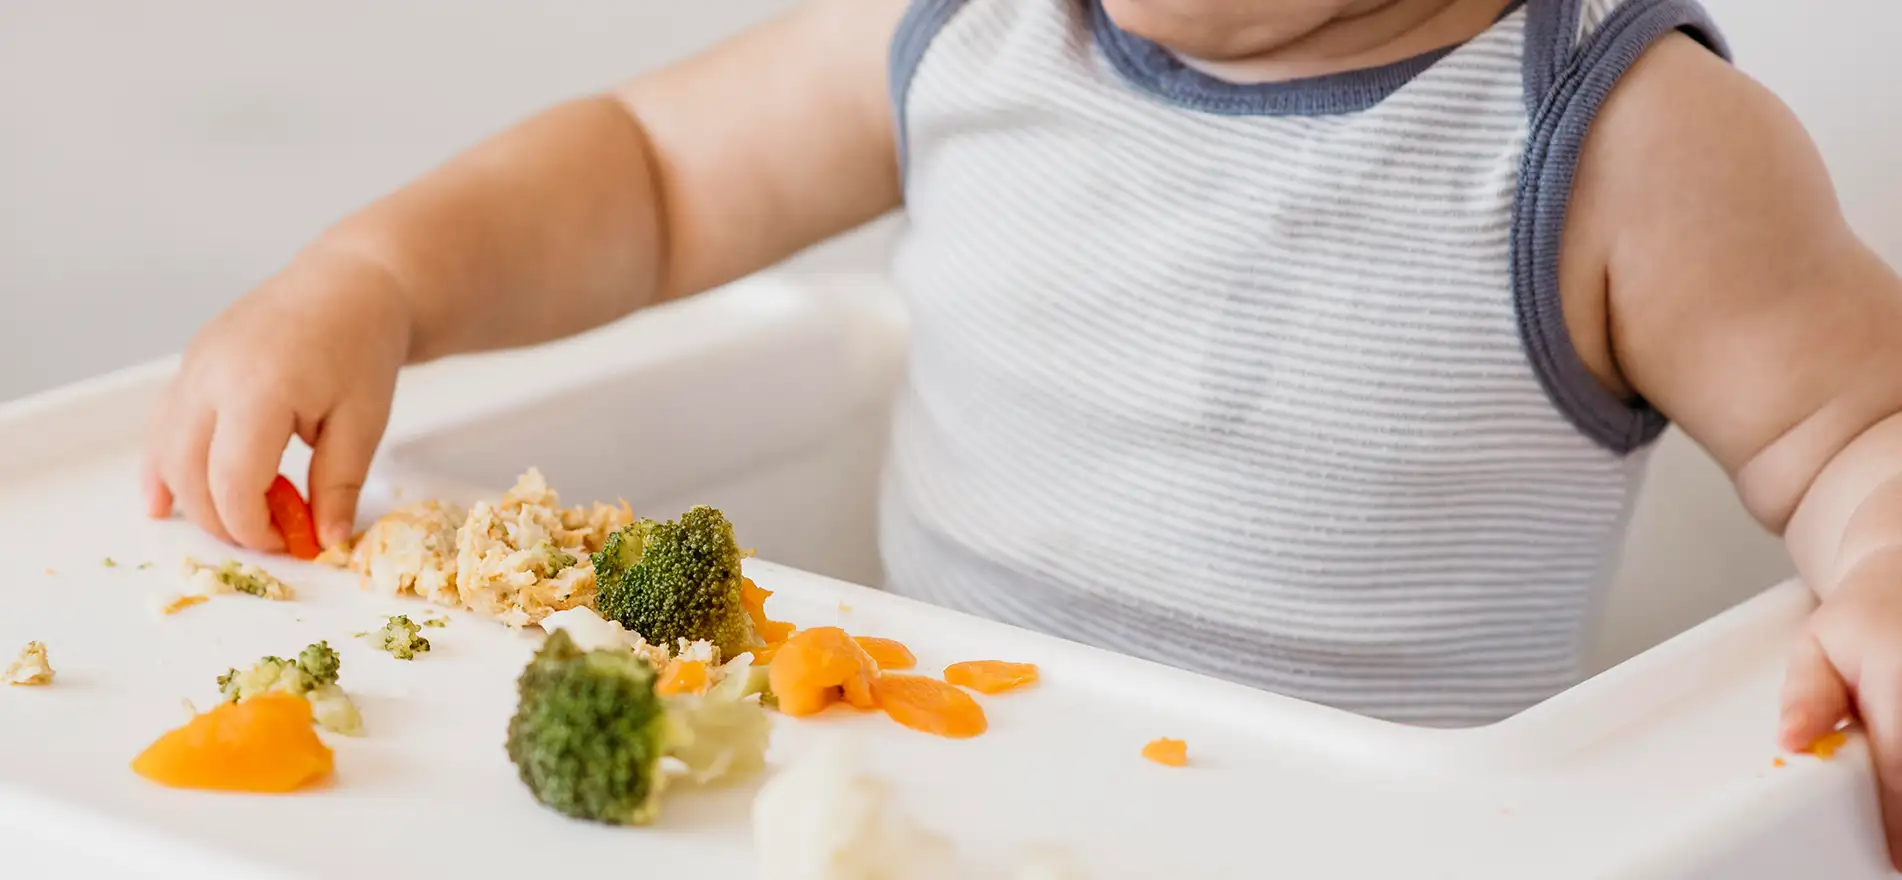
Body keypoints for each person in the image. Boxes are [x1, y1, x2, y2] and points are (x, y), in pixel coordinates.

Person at [144, 0, 1902, 860]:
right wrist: (380, 276)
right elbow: (652, 173)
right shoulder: (970, 28)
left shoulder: (1621, 141)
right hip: (907, 793)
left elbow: (1858, 428)